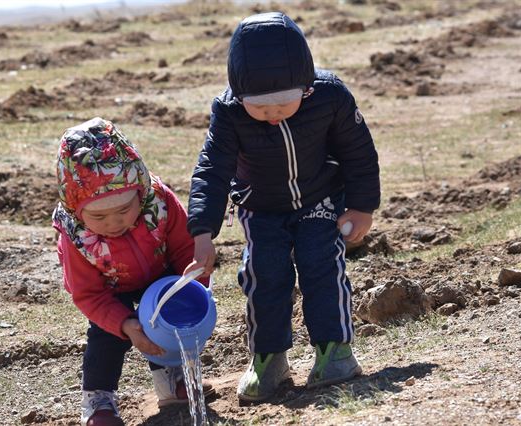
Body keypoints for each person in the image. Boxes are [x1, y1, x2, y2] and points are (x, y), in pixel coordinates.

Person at [184, 12, 381, 403]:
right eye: (259, 107)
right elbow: (212, 169)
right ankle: (268, 360)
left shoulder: (331, 96)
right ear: (239, 94)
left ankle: (334, 352)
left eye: (282, 104)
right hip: (260, 208)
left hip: (321, 199)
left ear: (305, 88)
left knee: (320, 266)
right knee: (263, 275)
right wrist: (202, 232)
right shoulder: (228, 111)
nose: (271, 113)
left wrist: (361, 206)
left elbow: (358, 152)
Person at [52, 117, 213, 426]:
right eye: (99, 216)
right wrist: (124, 323)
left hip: (160, 271)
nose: (113, 222)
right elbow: (87, 294)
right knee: (106, 337)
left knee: (172, 319)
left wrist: (193, 285)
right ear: (76, 209)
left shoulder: (160, 203)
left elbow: (184, 249)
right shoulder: (76, 237)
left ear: (140, 191)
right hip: (110, 288)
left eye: (124, 210)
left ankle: (173, 378)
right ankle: (98, 399)